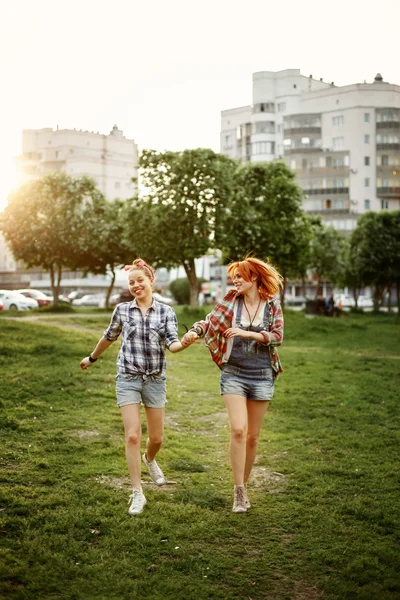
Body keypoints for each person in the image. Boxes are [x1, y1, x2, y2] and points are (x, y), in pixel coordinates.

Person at [80, 258, 188, 516]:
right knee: (132, 435)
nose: (136, 285)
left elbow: (172, 343)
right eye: (131, 282)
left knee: (157, 438)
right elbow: (109, 336)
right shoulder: (122, 310)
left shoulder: (166, 312)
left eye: (140, 280)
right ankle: (138, 492)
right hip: (127, 376)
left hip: (154, 379)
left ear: (152, 281)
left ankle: (149, 459)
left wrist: (185, 342)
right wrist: (92, 357)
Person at [181, 257, 284, 513]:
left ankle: (245, 485)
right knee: (238, 430)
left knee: (252, 437)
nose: (235, 280)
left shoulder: (272, 305)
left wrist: (247, 333)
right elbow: (210, 321)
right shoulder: (231, 300)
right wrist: (195, 331)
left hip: (262, 374)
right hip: (234, 373)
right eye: (234, 276)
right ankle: (238, 491)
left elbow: (277, 337)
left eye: (240, 276)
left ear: (254, 277)